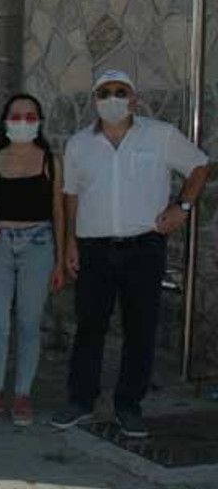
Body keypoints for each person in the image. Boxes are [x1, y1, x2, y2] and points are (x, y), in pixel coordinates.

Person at [50, 70, 209, 438]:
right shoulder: (78, 144)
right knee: (90, 327)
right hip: (94, 249)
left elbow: (200, 166)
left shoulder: (160, 136)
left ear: (134, 98)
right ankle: (80, 400)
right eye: (104, 92)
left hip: (144, 248)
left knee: (140, 330)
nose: (112, 98)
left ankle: (128, 405)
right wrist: (71, 241)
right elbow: (71, 195)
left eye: (121, 91)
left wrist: (181, 207)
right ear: (94, 100)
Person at [0, 94, 66, 426]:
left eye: (30, 116)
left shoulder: (51, 162)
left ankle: (23, 395)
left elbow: (58, 211)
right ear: (5, 120)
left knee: (28, 324)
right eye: (16, 115)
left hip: (38, 245)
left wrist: (61, 258)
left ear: (39, 121)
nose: (23, 121)